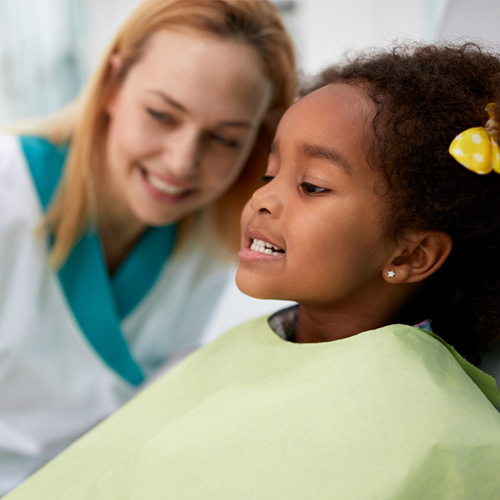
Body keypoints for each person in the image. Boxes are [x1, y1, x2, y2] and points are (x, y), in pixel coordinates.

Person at [5, 42, 500, 500]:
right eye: (270, 173)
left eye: (311, 186)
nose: (262, 198)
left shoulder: (439, 433)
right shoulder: (242, 348)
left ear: (411, 256)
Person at [0, 0, 297, 494]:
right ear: (113, 84)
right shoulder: (8, 192)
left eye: (225, 139)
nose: (182, 162)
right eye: (162, 115)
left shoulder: (211, 238)